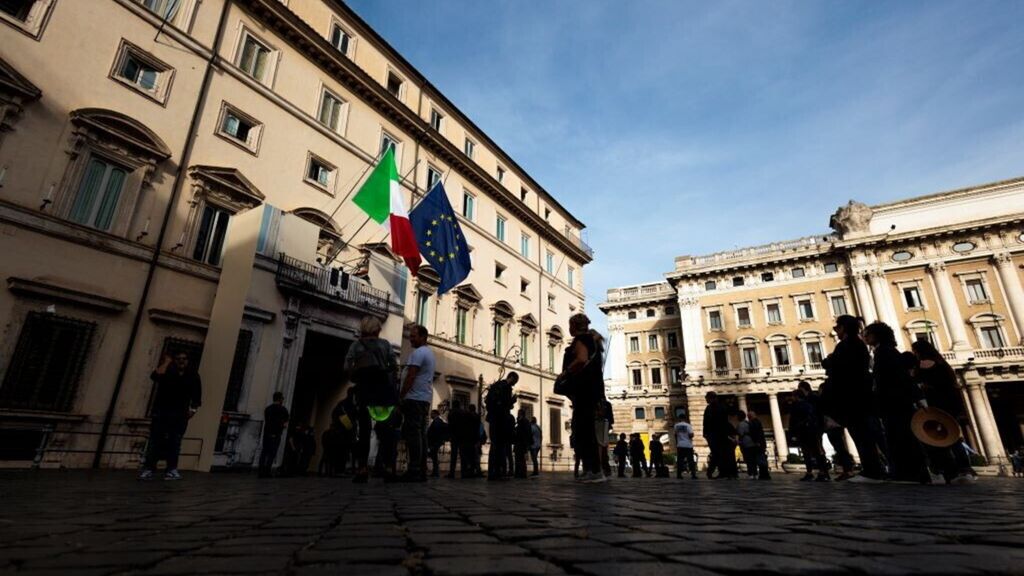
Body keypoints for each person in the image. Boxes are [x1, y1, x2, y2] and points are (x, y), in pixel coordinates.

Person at [822, 314, 885, 483]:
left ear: (843, 328)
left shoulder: (847, 345)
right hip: (858, 395)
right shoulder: (858, 345)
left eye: (837, 328)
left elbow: (837, 367)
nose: (836, 332)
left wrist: (829, 361)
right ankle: (872, 468)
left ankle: (872, 470)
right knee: (863, 433)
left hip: (852, 397)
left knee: (861, 434)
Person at [865, 321, 930, 484]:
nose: (865, 337)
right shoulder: (886, 351)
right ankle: (914, 473)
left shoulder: (884, 352)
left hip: (895, 402)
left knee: (901, 437)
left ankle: (910, 473)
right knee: (901, 437)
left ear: (876, 335)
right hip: (897, 401)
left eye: (868, 334)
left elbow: (899, 377)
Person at [911, 339, 977, 484]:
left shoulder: (920, 366)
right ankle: (965, 469)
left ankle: (946, 471)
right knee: (954, 437)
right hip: (949, 406)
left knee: (934, 439)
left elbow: (917, 384)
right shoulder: (943, 365)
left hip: (932, 407)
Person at [344, 315, 400, 484]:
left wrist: (357, 378)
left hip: (364, 392)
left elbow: (347, 367)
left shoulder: (356, 346)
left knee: (364, 431)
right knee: (385, 431)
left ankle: (362, 469)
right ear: (377, 329)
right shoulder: (385, 345)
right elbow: (394, 367)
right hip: (382, 392)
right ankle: (389, 468)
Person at [557, 313, 607, 483]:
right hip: (592, 391)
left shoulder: (582, 340)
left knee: (585, 431)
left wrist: (565, 372)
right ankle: (589, 469)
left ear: (574, 326)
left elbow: (581, 359)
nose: (569, 328)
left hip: (584, 391)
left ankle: (595, 471)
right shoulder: (592, 341)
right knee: (583, 430)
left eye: (570, 325)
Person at [139, 352, 202, 481]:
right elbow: (155, 376)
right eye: (178, 359)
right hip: (162, 412)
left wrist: (193, 410)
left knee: (175, 442)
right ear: (174, 361)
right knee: (155, 441)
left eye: (184, 359)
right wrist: (166, 362)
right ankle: (148, 469)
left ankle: (171, 470)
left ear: (188, 361)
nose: (181, 361)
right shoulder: (167, 372)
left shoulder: (193, 375)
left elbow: (197, 394)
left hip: (180, 414)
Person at [400, 324, 435, 482]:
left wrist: (401, 396)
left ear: (423, 337)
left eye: (413, 336)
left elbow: (411, 376)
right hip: (423, 399)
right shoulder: (429, 353)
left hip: (414, 399)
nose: (410, 338)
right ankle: (420, 469)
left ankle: (414, 469)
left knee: (413, 434)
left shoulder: (419, 353)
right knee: (420, 433)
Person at [791, 382, 829, 481]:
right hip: (810, 430)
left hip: (810, 430)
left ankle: (821, 472)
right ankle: (819, 472)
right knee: (812, 452)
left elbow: (795, 420)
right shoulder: (806, 403)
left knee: (815, 451)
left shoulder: (807, 402)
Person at [485, 372, 518, 479]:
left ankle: (492, 472)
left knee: (494, 445)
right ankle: (498, 472)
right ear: (511, 378)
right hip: (500, 419)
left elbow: (490, 402)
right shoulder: (505, 387)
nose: (513, 385)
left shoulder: (496, 385)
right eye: (514, 382)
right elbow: (505, 404)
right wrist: (512, 400)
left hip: (493, 419)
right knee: (500, 446)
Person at [702, 392, 737, 479]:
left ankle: (723, 472)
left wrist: (705, 433)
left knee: (719, 454)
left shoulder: (716, 407)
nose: (706, 400)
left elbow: (707, 422)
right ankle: (725, 473)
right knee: (721, 454)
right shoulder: (717, 406)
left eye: (707, 398)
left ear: (711, 398)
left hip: (717, 434)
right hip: (718, 433)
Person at [258, 391, 289, 478]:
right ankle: (267, 471)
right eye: (282, 398)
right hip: (276, 434)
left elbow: (267, 420)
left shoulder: (267, 409)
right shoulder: (283, 410)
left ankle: (260, 471)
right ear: (280, 399)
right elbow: (285, 424)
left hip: (267, 433)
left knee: (264, 452)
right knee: (272, 453)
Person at [746, 410, 771, 480]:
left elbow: (754, 433)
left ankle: (764, 475)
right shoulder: (757, 422)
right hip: (761, 443)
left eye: (749, 416)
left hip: (758, 443)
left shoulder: (753, 423)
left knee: (760, 459)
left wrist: (756, 441)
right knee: (762, 459)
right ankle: (764, 474)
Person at [736, 410, 758, 479]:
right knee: (753, 459)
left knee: (748, 459)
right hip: (753, 443)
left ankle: (751, 474)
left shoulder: (740, 424)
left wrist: (738, 441)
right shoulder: (748, 423)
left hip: (746, 443)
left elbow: (740, 434)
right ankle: (755, 474)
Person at [673, 414, 697, 479]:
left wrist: (677, 443)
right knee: (690, 461)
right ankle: (693, 475)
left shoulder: (676, 426)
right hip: (688, 445)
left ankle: (679, 475)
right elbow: (691, 435)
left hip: (680, 445)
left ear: (679, 418)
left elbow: (675, 435)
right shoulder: (688, 425)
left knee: (680, 461)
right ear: (685, 418)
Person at [426, 409, 448, 478]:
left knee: (434, 457)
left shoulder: (437, 421)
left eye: (432, 414)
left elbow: (435, 433)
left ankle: (435, 472)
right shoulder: (438, 421)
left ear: (435, 414)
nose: (430, 415)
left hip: (435, 442)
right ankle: (435, 472)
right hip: (436, 442)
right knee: (434, 457)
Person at [513, 409, 532, 479]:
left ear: (521, 414)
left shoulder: (523, 421)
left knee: (519, 458)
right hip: (521, 442)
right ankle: (521, 473)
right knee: (521, 458)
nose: (518, 414)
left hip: (520, 442)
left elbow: (521, 432)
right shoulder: (525, 421)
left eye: (518, 413)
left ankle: (520, 473)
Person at [599, 399, 614, 478]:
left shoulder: (604, 404)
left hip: (602, 425)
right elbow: (611, 419)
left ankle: (605, 469)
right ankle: (605, 469)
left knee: (602, 446)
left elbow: (610, 418)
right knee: (602, 447)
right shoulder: (607, 404)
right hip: (604, 425)